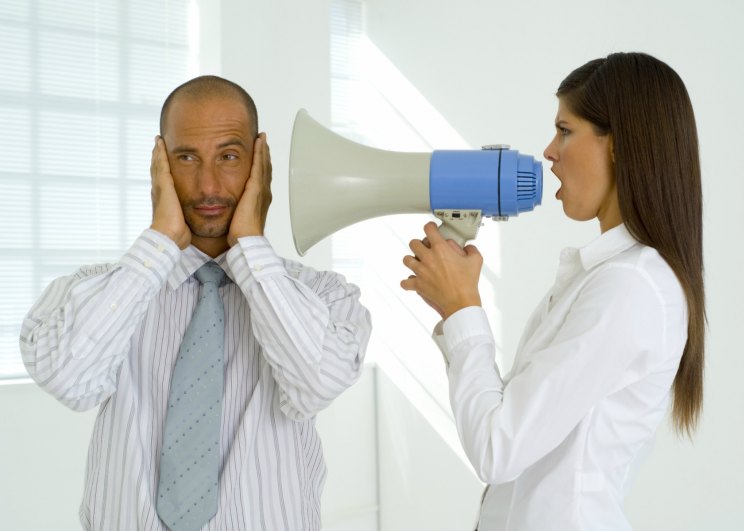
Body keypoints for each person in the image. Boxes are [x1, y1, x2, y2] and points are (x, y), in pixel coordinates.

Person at [20, 75, 371, 531]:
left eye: (229, 156)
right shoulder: (97, 289)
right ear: (160, 163)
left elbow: (316, 384)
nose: (208, 186)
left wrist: (250, 245)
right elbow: (69, 381)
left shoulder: (323, 295)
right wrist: (160, 240)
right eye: (186, 158)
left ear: (260, 162)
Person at [400, 52, 705, 530]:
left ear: (618, 145)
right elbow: (513, 428)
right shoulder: (606, 277)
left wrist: (462, 309)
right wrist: (454, 307)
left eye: (565, 130)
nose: (548, 151)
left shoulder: (630, 287)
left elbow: (497, 449)